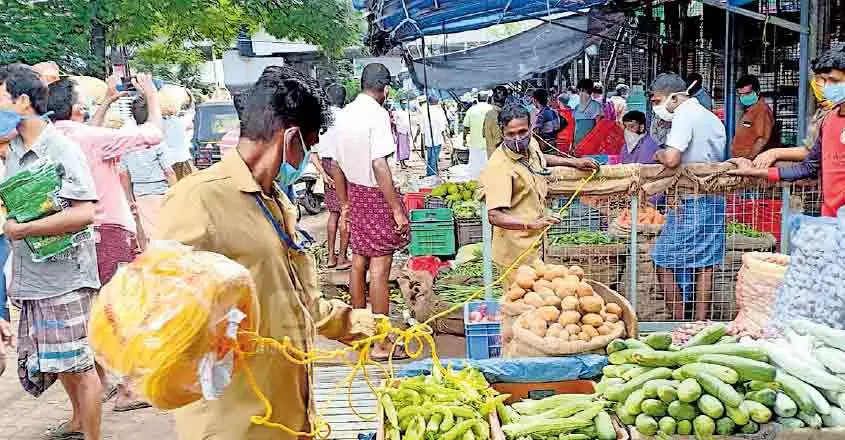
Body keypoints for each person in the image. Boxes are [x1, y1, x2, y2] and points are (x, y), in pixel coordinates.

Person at [156, 65, 379, 440]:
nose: (308, 159)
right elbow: (161, 307)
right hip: (236, 421)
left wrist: (360, 326)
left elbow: (296, 300)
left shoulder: (275, 202)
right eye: (309, 147)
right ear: (291, 139)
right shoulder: (199, 199)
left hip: (287, 410)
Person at [48, 74, 164, 412]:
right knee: (121, 310)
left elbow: (89, 139)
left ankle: (101, 382)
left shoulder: (52, 138)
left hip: (71, 235)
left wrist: (107, 101)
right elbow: (152, 134)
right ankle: (130, 388)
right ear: (76, 107)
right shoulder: (92, 138)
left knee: (89, 313)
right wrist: (152, 96)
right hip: (110, 229)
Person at [1, 64, 102, 440]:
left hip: (66, 276)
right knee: (57, 362)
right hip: (31, 276)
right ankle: (77, 421)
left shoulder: (60, 148)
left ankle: (93, 434)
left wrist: (23, 229)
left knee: (78, 363)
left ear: (22, 101)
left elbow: (85, 212)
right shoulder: (10, 148)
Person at [331, 63, 409, 361]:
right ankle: (381, 343)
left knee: (358, 261)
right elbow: (380, 165)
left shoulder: (345, 114)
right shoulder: (377, 115)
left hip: (354, 191)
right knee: (379, 270)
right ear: (385, 89)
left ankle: (360, 335)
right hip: (376, 195)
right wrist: (396, 210)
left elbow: (335, 164)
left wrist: (345, 201)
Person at [479, 104, 599, 276]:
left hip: (536, 243)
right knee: (521, 299)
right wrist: (531, 224)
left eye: (522, 132)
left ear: (531, 128)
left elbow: (541, 158)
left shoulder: (531, 144)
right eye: (510, 134)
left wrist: (574, 162)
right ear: (501, 132)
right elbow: (494, 215)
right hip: (515, 252)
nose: (518, 139)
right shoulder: (500, 166)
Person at [729, 46, 845, 217]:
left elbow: (762, 138)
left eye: (834, 81)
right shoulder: (828, 120)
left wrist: (766, 155)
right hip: (831, 222)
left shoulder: (761, 110)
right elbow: (808, 167)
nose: (826, 87)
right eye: (823, 80)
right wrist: (755, 171)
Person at [648, 73, 727, 321]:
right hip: (713, 196)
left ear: (674, 97)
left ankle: (679, 320)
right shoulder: (710, 117)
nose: (658, 106)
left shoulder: (684, 115)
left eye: (658, 100)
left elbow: (672, 158)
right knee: (705, 261)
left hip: (692, 200)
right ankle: (701, 321)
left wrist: (658, 154)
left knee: (662, 259)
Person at [120, 96, 178, 246]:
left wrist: (129, 198)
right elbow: (169, 172)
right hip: (161, 191)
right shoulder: (156, 140)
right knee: (165, 233)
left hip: (139, 193)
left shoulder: (128, 141)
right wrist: (178, 193)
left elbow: (124, 175)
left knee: (145, 233)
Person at [310, 83, 350, 270]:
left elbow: (312, 151)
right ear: (344, 99)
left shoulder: (319, 118)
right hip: (343, 165)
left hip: (326, 165)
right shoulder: (347, 117)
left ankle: (330, 258)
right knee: (346, 211)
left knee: (333, 213)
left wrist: (323, 174)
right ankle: (342, 258)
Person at [730, 74, 774, 160]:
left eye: (747, 93)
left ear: (757, 91)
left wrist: (749, 159)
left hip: (751, 162)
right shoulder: (750, 110)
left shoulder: (762, 110)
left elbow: (762, 139)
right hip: (742, 160)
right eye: (741, 94)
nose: (743, 97)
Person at [463, 93, 493, 178]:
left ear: (477, 99)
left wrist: (464, 139)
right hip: (490, 144)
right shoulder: (492, 109)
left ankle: (476, 187)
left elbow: (466, 127)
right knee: (488, 169)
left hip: (475, 144)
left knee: (475, 169)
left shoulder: (471, 110)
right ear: (487, 98)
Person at [420, 95, 448, 176]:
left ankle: (429, 173)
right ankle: (432, 174)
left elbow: (422, 128)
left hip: (428, 139)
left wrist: (422, 142)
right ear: (437, 102)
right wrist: (445, 140)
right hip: (437, 138)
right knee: (434, 158)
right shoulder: (439, 111)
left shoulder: (425, 111)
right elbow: (443, 127)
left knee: (429, 157)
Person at [572, 78, 603, 145]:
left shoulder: (596, 106)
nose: (581, 93)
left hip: (591, 143)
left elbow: (599, 126)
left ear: (590, 91)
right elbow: (574, 127)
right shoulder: (577, 108)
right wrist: (572, 143)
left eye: (584, 90)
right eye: (580, 90)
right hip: (577, 142)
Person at [532, 89, 562, 154]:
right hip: (554, 145)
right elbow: (557, 127)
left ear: (535, 100)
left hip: (545, 147)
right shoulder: (553, 111)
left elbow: (535, 132)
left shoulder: (542, 114)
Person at [484, 85, 509, 158]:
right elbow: (498, 139)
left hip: (493, 154)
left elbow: (484, 133)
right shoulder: (497, 114)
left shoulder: (489, 114)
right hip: (499, 155)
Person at [393, 99, 412, 169]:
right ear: (400, 104)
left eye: (405, 103)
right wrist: (396, 132)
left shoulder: (407, 111)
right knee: (401, 148)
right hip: (401, 132)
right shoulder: (397, 112)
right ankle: (401, 163)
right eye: (403, 103)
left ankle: (404, 162)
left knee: (406, 148)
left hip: (406, 132)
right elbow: (395, 123)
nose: (404, 105)